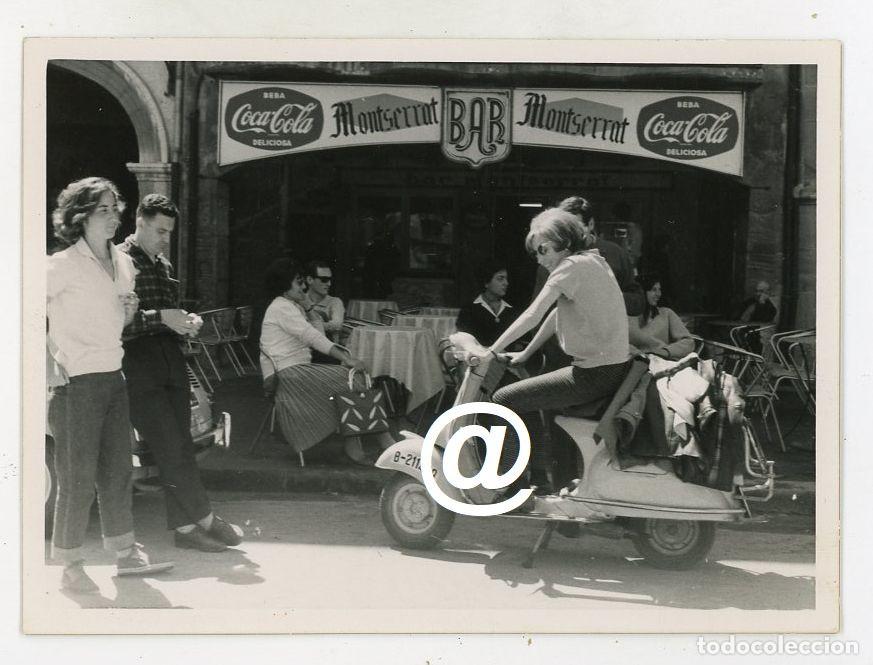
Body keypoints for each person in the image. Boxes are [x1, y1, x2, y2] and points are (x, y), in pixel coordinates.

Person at [47, 177, 173, 593]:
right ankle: (69, 564)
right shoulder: (60, 265)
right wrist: (46, 362)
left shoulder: (123, 263)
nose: (113, 216)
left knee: (119, 472)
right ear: (79, 217)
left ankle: (124, 553)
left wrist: (129, 312)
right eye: (104, 210)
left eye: (115, 209)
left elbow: (116, 325)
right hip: (76, 384)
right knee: (76, 478)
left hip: (113, 377)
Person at [119, 194, 243, 553]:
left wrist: (187, 322)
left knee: (181, 447)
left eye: (169, 232)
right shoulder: (120, 261)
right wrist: (162, 318)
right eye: (159, 231)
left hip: (170, 361)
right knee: (171, 446)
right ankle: (204, 518)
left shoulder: (162, 263)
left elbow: (168, 314)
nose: (165, 239)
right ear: (139, 221)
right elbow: (117, 324)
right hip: (138, 365)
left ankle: (186, 529)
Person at [489, 208, 631, 495]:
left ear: (564, 243)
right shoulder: (593, 261)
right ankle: (561, 491)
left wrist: (490, 350)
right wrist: (526, 353)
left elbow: (533, 314)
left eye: (542, 249)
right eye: (535, 253)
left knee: (504, 399)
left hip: (594, 373)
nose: (539, 258)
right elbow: (556, 314)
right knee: (547, 409)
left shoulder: (570, 267)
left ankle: (508, 487)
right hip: (610, 369)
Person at [260, 258, 371, 462]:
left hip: (295, 370)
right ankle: (363, 443)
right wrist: (346, 358)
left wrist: (309, 307)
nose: (303, 287)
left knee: (352, 380)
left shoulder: (291, 305)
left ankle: (358, 442)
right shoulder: (282, 308)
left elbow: (317, 332)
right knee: (350, 379)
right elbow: (313, 337)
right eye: (298, 282)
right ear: (284, 286)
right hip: (285, 374)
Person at [455, 259, 520, 347]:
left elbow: (520, 342)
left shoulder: (512, 311)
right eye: (500, 279)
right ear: (486, 282)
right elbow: (465, 342)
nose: (506, 283)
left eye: (506, 279)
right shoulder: (469, 310)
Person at [627, 275, 694, 360]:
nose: (659, 294)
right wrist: (640, 355)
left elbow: (688, 342)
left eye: (659, 289)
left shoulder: (666, 314)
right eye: (653, 290)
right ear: (641, 292)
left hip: (662, 363)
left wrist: (665, 351)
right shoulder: (628, 317)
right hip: (636, 364)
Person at [305, 260, 345, 358]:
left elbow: (337, 324)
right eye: (324, 280)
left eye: (330, 279)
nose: (329, 284)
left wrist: (309, 326)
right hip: (303, 352)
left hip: (327, 355)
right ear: (310, 280)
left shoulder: (335, 302)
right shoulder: (300, 300)